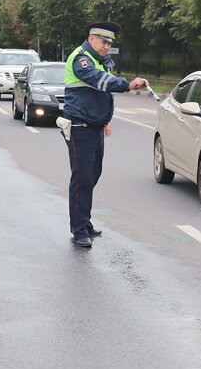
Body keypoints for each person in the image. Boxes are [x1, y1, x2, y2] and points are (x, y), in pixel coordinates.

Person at [59, 22, 147, 248]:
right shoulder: (82, 59)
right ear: (91, 39)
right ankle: (79, 230)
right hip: (80, 127)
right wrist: (128, 85)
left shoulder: (99, 60)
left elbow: (101, 94)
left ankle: (84, 221)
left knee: (92, 175)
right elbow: (100, 80)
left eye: (110, 43)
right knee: (82, 179)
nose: (107, 46)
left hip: (94, 127)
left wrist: (105, 120)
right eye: (104, 42)